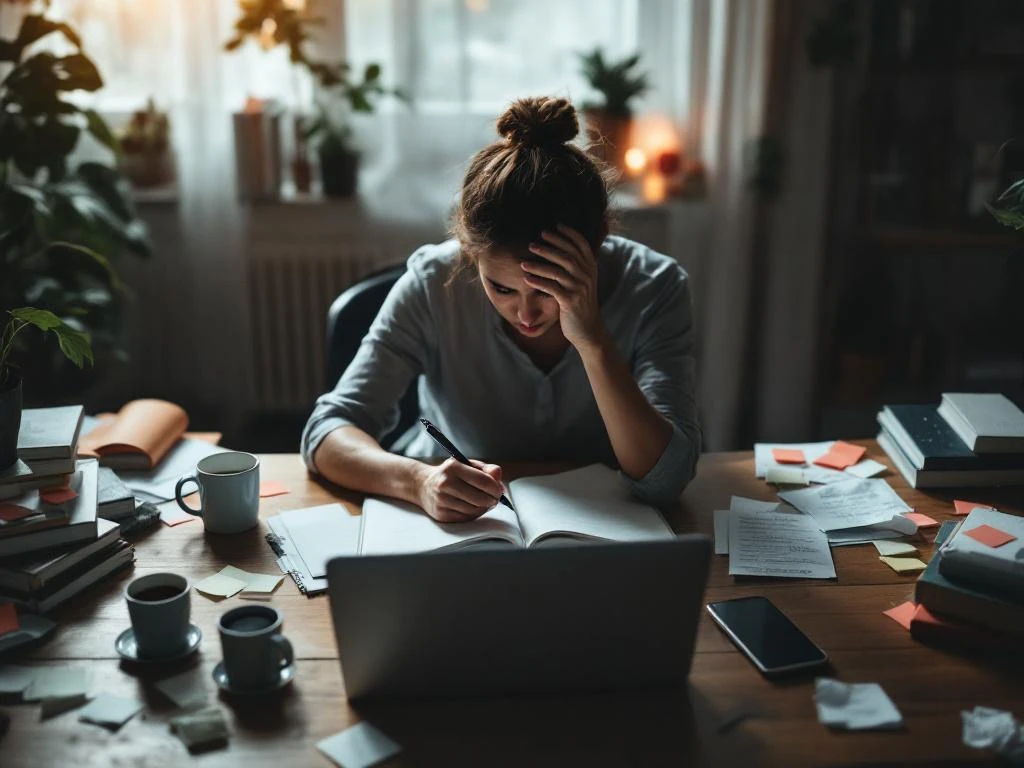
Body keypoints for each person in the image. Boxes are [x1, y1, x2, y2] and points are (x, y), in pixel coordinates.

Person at [301, 96, 700, 522]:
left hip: (600, 533)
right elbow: (326, 432)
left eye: (548, 290)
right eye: (501, 288)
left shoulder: (656, 287)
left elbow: (666, 479)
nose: (526, 315)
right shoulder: (433, 283)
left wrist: (592, 340)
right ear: (471, 254)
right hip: (455, 527)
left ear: (597, 246)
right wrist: (418, 481)